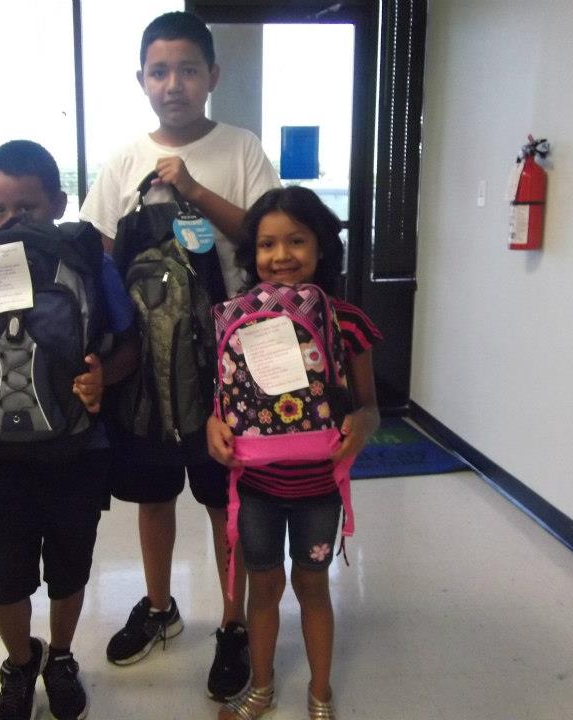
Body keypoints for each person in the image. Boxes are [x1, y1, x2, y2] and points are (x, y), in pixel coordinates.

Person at [79, 10, 281, 703]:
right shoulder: (122, 160)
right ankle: (160, 606)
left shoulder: (241, 148)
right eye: (160, 71)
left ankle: (231, 621)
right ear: (141, 79)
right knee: (152, 491)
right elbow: (98, 256)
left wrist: (192, 189)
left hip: (228, 357)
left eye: (188, 69)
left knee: (224, 497)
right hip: (144, 361)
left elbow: (266, 238)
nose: (174, 84)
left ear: (212, 76)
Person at [0, 140, 137, 720]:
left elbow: (129, 344)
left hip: (80, 445)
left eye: (27, 208)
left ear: (58, 204)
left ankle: (60, 656)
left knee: (68, 567)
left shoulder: (89, 263)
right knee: (4, 577)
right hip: (5, 451)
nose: (11, 221)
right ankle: (19, 661)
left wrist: (103, 377)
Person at [207, 186, 382, 720]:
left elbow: (371, 408)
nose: (281, 255)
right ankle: (260, 689)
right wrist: (213, 426)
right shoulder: (236, 317)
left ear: (322, 246)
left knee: (312, 586)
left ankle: (320, 691)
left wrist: (362, 423)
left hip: (318, 488)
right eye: (266, 244)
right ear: (252, 253)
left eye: (297, 241)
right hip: (256, 486)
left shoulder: (347, 320)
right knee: (262, 587)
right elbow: (222, 399)